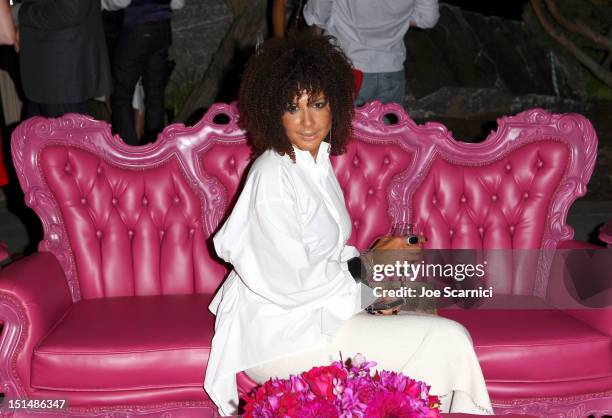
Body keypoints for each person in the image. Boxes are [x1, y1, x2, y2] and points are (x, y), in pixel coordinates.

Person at [203, 34, 493, 416]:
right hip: (280, 335)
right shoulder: (273, 174)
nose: (308, 121)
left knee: (428, 319)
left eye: (319, 104)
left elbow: (330, 257)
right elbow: (291, 284)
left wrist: (375, 291)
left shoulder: (315, 163)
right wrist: (370, 271)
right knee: (448, 340)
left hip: (312, 315)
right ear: (273, 110)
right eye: (293, 107)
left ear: (335, 104)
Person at [303, 0, 439, 107]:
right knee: (385, 139)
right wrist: (393, 21)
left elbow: (318, 11)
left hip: (347, 69)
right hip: (391, 71)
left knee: (340, 136)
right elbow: (428, 17)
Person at [15, 0, 112, 118]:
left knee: (65, 134)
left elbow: (70, 11)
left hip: (61, 76)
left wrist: (21, 12)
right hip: (52, 74)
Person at [110, 0, 182, 145]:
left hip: (137, 28)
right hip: (163, 29)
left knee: (120, 96)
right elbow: (178, 4)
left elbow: (119, 2)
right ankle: (156, 149)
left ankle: (130, 153)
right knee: (155, 94)